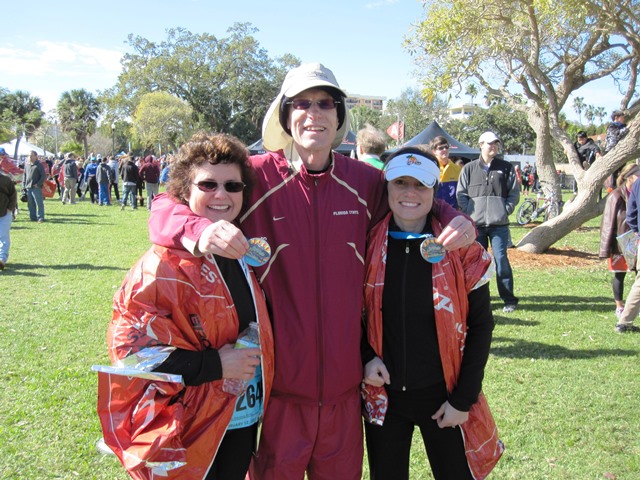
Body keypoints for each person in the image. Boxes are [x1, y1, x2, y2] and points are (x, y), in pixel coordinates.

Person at [145, 63, 476, 479]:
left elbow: (411, 198)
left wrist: (451, 216)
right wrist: (198, 229)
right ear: (286, 116)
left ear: (339, 116)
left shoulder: (363, 182)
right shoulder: (254, 177)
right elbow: (163, 208)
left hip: (345, 394)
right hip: (279, 394)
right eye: (301, 103)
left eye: (324, 103)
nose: (313, 113)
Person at [97, 132, 275, 479]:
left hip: (241, 417)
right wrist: (214, 364)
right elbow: (129, 351)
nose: (221, 195)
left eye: (232, 186)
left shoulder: (241, 251)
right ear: (184, 191)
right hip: (189, 425)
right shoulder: (160, 265)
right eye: (208, 184)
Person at [361, 147, 503, 479]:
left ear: (435, 191)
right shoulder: (367, 244)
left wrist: (463, 400)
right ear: (387, 188)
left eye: (421, 185)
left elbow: (481, 325)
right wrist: (365, 357)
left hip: (444, 397)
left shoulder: (461, 249)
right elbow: (352, 314)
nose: (410, 193)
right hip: (385, 398)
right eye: (401, 183)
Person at [457, 131, 520, 313]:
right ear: (481, 145)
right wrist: (470, 211)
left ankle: (509, 299)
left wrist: (505, 209)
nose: (493, 146)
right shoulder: (469, 168)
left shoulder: (506, 167)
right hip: (476, 226)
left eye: (495, 143)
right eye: (489, 143)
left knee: (501, 259)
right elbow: (461, 193)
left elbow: (514, 193)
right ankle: (477, 298)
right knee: (476, 262)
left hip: (499, 225)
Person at [600, 164, 640, 318]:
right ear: (628, 177)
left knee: (637, 275)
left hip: (635, 241)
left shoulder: (636, 191)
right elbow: (608, 223)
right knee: (620, 274)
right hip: (620, 243)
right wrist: (606, 248)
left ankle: (634, 306)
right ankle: (619, 306)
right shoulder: (616, 196)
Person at [613, 167, 640, 333]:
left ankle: (624, 322)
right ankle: (624, 322)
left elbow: (631, 214)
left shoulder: (637, 184)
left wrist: (637, 232)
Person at [429, 135, 462, 209]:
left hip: (452, 213)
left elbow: (461, 194)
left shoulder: (457, 169)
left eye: (446, 147)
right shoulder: (429, 169)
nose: (444, 149)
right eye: (440, 148)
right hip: (432, 212)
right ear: (434, 151)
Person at [22, 150, 46, 223]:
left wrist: (38, 184)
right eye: (29, 155)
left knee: (39, 203)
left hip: (36, 187)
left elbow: (43, 176)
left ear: (36, 156)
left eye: (32, 155)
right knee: (30, 204)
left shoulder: (39, 165)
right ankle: (32, 217)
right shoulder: (27, 164)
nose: (30, 157)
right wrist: (23, 186)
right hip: (28, 187)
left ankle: (40, 217)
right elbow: (24, 176)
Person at [0, 168, 17, 270]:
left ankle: (2, 259)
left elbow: (13, 195)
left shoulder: (6, 180)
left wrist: (10, 208)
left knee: (3, 236)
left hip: (5, 212)